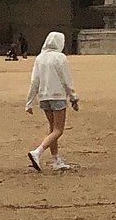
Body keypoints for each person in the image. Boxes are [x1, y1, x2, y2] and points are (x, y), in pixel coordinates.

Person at [25, 31, 80, 173]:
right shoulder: (60, 58)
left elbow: (34, 81)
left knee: (52, 129)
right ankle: (37, 152)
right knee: (58, 130)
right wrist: (73, 97)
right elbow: (66, 80)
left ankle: (56, 159)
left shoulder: (40, 58)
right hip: (57, 96)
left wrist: (30, 101)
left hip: (44, 97)